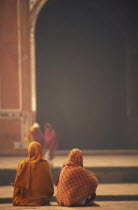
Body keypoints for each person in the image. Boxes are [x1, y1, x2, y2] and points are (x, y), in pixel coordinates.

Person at [12, 141, 54, 206]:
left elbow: (18, 186)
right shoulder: (45, 164)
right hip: (42, 199)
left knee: (19, 199)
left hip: (24, 199)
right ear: (40, 150)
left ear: (29, 151)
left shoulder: (22, 164)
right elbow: (49, 184)